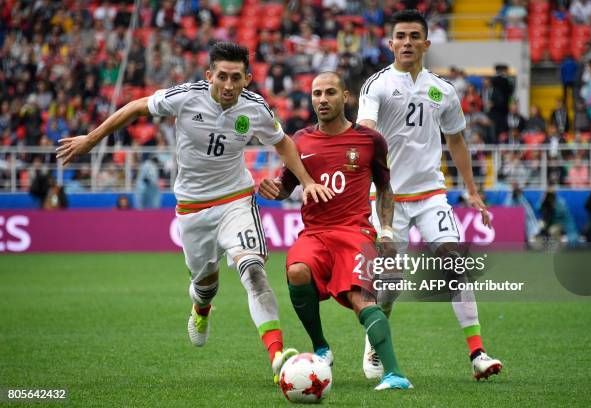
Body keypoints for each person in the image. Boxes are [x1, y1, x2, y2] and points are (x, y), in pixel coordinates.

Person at [56, 42, 333, 384]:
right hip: (192, 207)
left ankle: (278, 357)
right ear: (209, 75)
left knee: (254, 270)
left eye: (236, 77)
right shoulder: (187, 96)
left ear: (247, 78)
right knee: (205, 285)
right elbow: (136, 107)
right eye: (222, 76)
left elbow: (283, 142)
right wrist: (91, 140)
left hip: (236, 199)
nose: (229, 85)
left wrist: (305, 182)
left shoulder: (255, 107)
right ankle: (201, 309)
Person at [356, 9, 503, 381]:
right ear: (390, 44)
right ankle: (377, 341)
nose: (406, 42)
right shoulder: (376, 86)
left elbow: (456, 140)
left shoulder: (443, 90)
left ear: (425, 43)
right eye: (400, 36)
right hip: (388, 200)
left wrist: (471, 190)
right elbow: (366, 131)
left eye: (413, 36)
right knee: (390, 284)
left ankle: (478, 354)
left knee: (455, 264)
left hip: (431, 194)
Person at [259, 71, 412, 391]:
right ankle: (321, 347)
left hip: (356, 233)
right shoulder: (300, 140)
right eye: (316, 94)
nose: (322, 100)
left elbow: (385, 188)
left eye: (330, 92)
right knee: (297, 270)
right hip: (315, 233)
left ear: (346, 97)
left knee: (361, 299)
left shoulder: (370, 140)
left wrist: (385, 229)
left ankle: (395, 374)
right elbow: (289, 185)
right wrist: (276, 189)